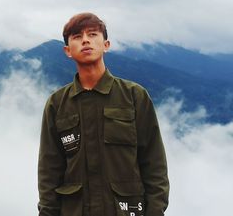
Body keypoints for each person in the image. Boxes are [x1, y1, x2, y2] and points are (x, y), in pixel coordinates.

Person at [37, 12, 169, 216]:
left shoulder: (134, 96)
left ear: (106, 44)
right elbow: (49, 171)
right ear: (67, 51)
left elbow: (154, 163)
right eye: (77, 37)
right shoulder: (57, 104)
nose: (86, 40)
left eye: (92, 34)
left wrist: (155, 211)